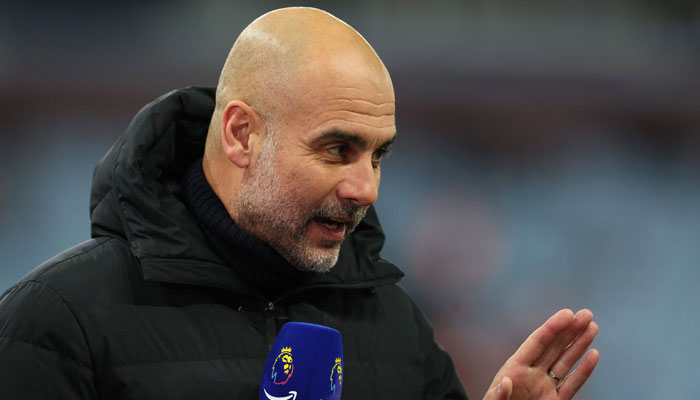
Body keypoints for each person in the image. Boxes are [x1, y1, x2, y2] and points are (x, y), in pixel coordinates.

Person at [0, 7, 598, 400]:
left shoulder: (397, 332)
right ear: (240, 135)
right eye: (338, 148)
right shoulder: (57, 323)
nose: (366, 187)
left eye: (378, 155)